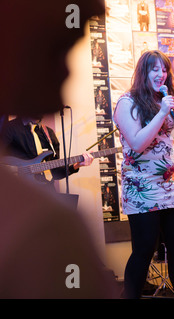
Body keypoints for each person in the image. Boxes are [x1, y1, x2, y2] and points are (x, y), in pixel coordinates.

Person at [0, 0, 119, 298]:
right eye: (56, 49)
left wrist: (76, 164)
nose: (66, 71)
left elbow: (56, 170)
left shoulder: (50, 134)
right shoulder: (12, 131)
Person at [113, 50, 174, 299]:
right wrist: (160, 113)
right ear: (143, 72)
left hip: (172, 187)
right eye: (154, 69)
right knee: (144, 250)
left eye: (164, 69)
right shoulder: (127, 102)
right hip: (142, 188)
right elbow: (137, 143)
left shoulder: (165, 99)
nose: (161, 74)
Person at [1, 116, 94, 186]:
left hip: (44, 191)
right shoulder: (9, 128)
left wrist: (76, 166)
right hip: (17, 191)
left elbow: (56, 173)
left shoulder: (49, 133)